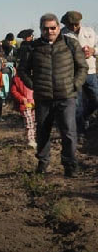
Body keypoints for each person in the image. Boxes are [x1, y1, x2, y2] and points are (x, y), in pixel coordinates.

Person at [18, 13, 87, 177]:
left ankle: (70, 164)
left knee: (69, 132)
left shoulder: (71, 44)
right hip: (43, 98)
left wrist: (75, 85)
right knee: (43, 131)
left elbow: (82, 67)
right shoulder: (32, 47)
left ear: (58, 27)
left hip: (66, 96)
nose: (49, 31)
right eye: (45, 28)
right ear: (41, 29)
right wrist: (33, 85)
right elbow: (22, 70)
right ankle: (43, 162)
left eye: (53, 28)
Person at [61, 11, 98, 143]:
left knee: (95, 99)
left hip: (90, 72)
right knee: (77, 105)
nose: (74, 27)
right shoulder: (62, 35)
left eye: (76, 24)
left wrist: (93, 51)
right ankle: (80, 131)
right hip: (73, 73)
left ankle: (85, 117)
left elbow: (97, 46)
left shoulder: (90, 31)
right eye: (71, 25)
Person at [10, 71, 36, 148]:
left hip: (35, 103)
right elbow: (14, 91)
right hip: (25, 104)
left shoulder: (35, 76)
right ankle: (30, 140)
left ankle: (34, 138)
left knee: (34, 122)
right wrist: (21, 99)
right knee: (29, 122)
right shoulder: (17, 79)